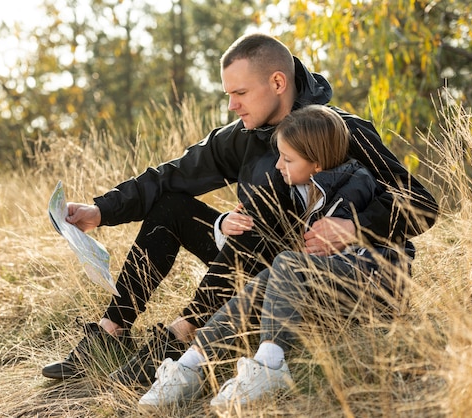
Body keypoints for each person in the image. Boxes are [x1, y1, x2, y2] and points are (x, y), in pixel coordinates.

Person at [41, 33, 438, 387]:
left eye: (240, 94)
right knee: (171, 206)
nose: (232, 105)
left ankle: (184, 336)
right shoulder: (244, 135)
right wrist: (100, 211)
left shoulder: (340, 130)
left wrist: (355, 227)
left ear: (277, 82)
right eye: (228, 94)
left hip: (325, 277)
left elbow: (420, 201)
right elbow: (172, 175)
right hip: (252, 263)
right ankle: (113, 330)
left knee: (260, 211)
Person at [138, 105, 392, 409]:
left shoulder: (354, 185)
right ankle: (191, 365)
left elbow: (352, 251)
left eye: (288, 159)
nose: (280, 166)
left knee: (285, 263)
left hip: (373, 286)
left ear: (316, 163)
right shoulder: (307, 188)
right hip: (332, 284)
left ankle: (269, 366)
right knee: (263, 282)